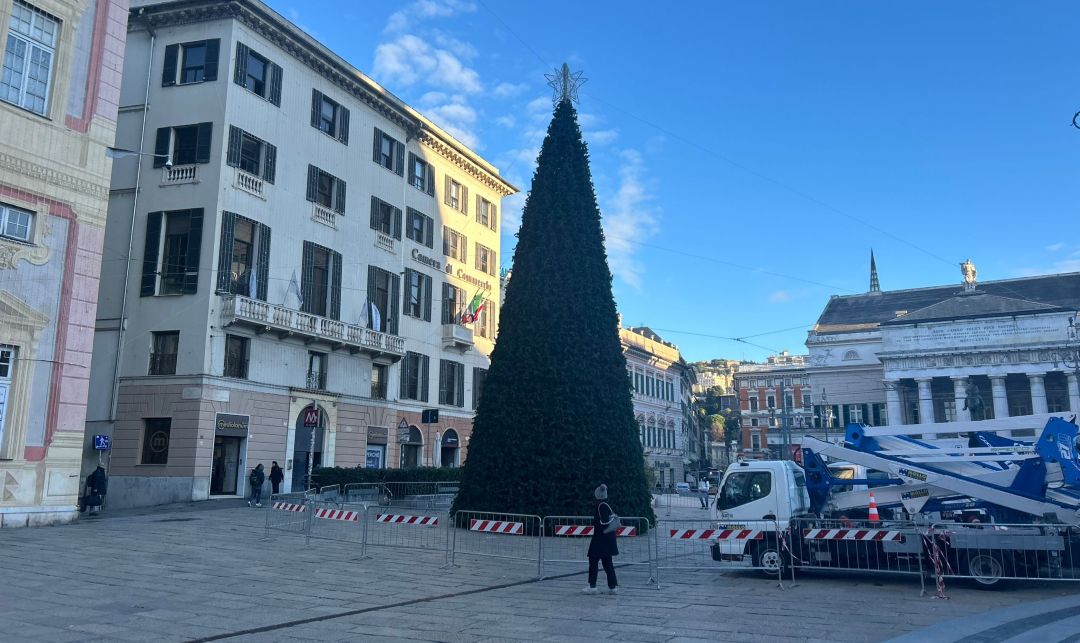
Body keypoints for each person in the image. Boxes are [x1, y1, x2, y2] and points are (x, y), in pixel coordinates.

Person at [582, 484, 619, 595]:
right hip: (608, 537)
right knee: (607, 562)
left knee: (593, 560)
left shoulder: (600, 505)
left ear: (597, 494)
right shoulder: (607, 504)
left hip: (601, 537)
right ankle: (612, 586)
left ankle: (592, 586)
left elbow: (602, 521)